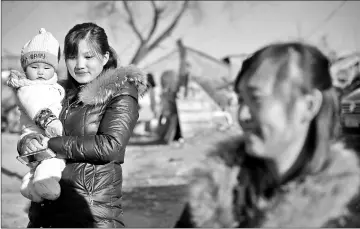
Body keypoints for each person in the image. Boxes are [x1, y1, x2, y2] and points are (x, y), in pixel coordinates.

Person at [175, 42, 360, 227]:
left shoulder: (346, 209)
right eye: (241, 100)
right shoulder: (215, 192)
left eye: (256, 99)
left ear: (308, 105)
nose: (242, 115)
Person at [17, 22, 148, 228]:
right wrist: (30, 143)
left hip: (90, 212)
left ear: (104, 58)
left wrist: (53, 144)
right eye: (72, 56)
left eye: (88, 57)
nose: (79, 64)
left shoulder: (120, 92)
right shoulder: (57, 93)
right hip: (46, 212)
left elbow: (110, 146)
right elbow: (33, 129)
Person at [7, 28, 66, 202]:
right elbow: (36, 107)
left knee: (42, 162)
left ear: (53, 68)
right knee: (53, 163)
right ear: (26, 68)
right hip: (39, 133)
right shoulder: (27, 88)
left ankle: (29, 185)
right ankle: (44, 184)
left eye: (46, 67)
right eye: (34, 67)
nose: (40, 71)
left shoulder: (54, 87)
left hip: (43, 135)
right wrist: (51, 122)